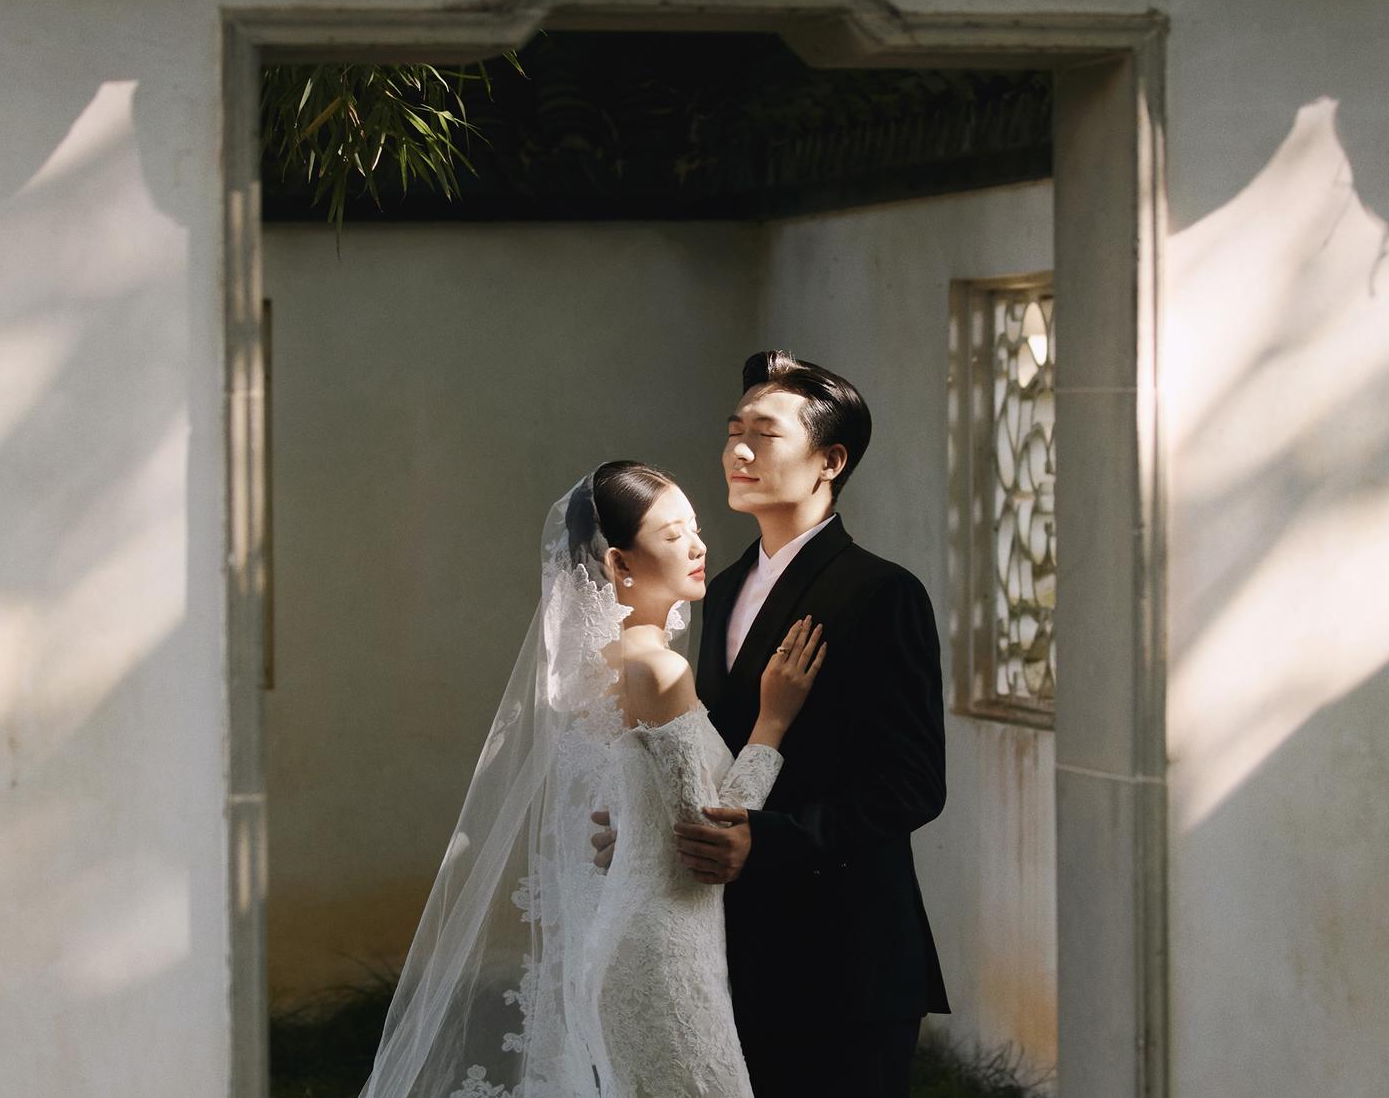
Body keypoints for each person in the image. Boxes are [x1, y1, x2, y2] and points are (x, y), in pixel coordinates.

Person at [355, 461, 826, 1098]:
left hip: (639, 940)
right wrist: (773, 720)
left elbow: (643, 806)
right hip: (664, 954)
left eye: (694, 527)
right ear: (618, 563)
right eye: (672, 535)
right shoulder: (658, 670)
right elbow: (708, 834)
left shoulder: (605, 665)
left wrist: (635, 831)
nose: (698, 546)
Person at [594, 351, 952, 1098]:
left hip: (844, 961)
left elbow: (915, 783)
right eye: (734, 432)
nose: (739, 452)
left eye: (764, 434)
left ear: (830, 461)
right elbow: (710, 758)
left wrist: (771, 838)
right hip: (730, 954)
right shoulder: (720, 588)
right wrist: (648, 824)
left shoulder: (883, 592)